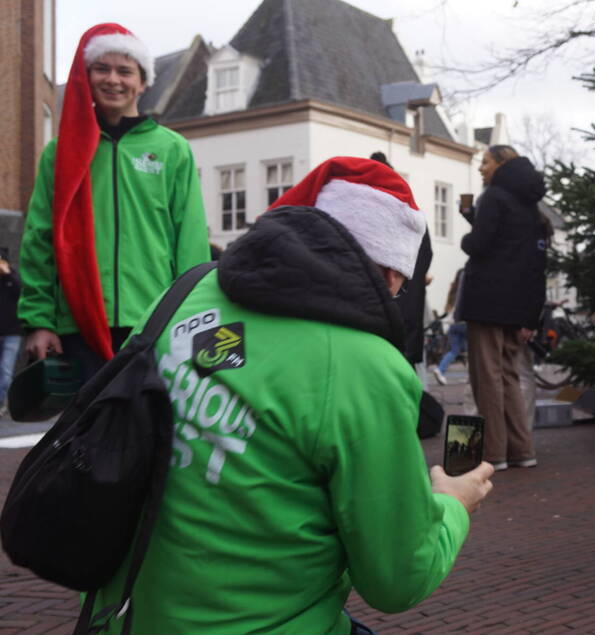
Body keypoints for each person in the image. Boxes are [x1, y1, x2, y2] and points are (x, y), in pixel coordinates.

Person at [93, 156, 494, 632]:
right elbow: (398, 579)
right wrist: (453, 503)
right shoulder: (365, 365)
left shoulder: (183, 293)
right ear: (389, 275)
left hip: (120, 616)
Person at [18, 23, 209, 380]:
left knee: (148, 434)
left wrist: (190, 317)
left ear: (143, 81)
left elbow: (191, 242)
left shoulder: (173, 149)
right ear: (86, 78)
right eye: (101, 69)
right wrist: (39, 321)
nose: (113, 79)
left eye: (125, 71)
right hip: (78, 325)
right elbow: (39, 240)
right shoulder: (60, 154)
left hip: (154, 322)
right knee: (84, 433)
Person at [458, 145, 546, 470]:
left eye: (485, 162)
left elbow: (479, 245)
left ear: (500, 165)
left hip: (486, 300)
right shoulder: (531, 206)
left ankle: (493, 453)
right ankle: (521, 449)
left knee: (487, 376)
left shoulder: (494, 198)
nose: (481, 168)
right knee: (509, 374)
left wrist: (468, 234)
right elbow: (533, 259)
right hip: (516, 302)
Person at [433, 269, 467, 386]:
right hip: (463, 323)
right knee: (471, 349)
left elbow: (447, 309)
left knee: (454, 351)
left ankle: (440, 369)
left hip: (452, 325)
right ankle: (473, 374)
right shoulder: (465, 287)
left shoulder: (453, 290)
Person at [0, 251, 22, 407]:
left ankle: (1, 403)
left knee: (6, 371)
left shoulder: (13, 278)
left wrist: (8, 274)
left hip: (12, 334)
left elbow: (22, 294)